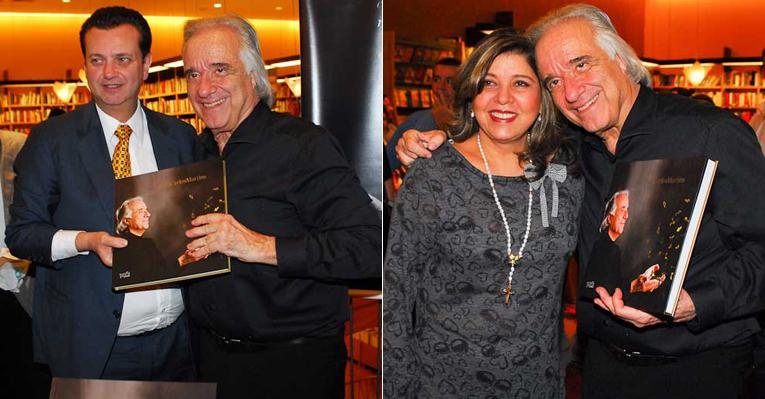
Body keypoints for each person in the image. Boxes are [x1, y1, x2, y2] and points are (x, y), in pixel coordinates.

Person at [397, 4, 765, 398]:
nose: (571, 92)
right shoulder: (570, 151)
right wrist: (435, 143)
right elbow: (500, 141)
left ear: (621, 58)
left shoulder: (710, 134)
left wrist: (694, 302)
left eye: (581, 64)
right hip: (599, 370)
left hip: (699, 370)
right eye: (553, 81)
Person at [179, 15, 381, 399]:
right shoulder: (195, 153)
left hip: (292, 368)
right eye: (192, 74)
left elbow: (368, 248)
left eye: (220, 69)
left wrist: (259, 246)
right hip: (209, 362)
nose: (204, 88)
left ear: (254, 75)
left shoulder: (303, 146)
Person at [384, 29, 583, 398]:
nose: (502, 98)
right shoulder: (434, 174)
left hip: (536, 384)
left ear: (543, 97)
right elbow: (396, 298)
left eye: (521, 83)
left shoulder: (567, 175)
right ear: (472, 92)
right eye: (488, 82)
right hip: (442, 384)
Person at [6, 6, 197, 380]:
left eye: (122, 59)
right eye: (97, 60)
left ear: (146, 65)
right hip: (94, 347)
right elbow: (22, 235)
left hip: (180, 342)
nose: (109, 73)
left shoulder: (180, 137)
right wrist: (83, 241)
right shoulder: (50, 141)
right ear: (84, 67)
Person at [584, 190, 664, 299]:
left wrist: (637, 286)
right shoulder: (601, 246)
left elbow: (612, 287)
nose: (626, 216)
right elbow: (592, 289)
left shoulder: (612, 248)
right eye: (622, 209)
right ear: (609, 216)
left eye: (627, 209)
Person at [385, 57, 460, 171]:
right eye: (436, 79)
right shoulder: (417, 118)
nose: (441, 87)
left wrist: (446, 124)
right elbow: (385, 163)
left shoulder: (474, 121)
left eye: (449, 81)